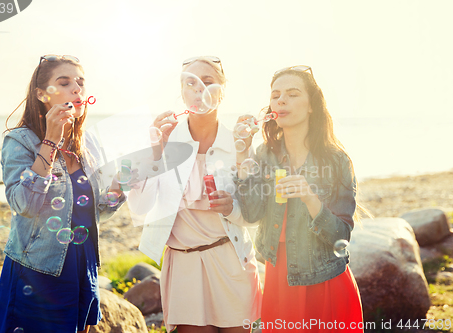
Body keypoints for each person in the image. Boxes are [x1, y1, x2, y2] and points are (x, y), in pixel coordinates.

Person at [0, 55, 125, 333]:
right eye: (64, 82)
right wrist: (50, 141)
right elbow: (23, 204)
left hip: (83, 265)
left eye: (80, 83)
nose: (76, 89)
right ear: (41, 94)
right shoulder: (19, 141)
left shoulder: (87, 143)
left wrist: (119, 188)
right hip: (38, 270)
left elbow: (96, 212)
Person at [128, 56, 262, 333]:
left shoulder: (238, 144)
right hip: (183, 264)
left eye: (209, 81)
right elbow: (140, 207)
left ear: (223, 90)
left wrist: (232, 208)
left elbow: (254, 217)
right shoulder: (164, 141)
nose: (199, 88)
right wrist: (155, 153)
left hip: (230, 261)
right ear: (182, 92)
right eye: (191, 82)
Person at [234, 66, 367, 332]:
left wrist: (310, 198)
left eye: (292, 94)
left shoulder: (337, 160)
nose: (281, 100)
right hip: (279, 281)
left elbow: (341, 234)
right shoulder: (263, 155)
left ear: (311, 106)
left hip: (325, 281)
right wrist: (241, 156)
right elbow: (250, 214)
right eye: (275, 95)